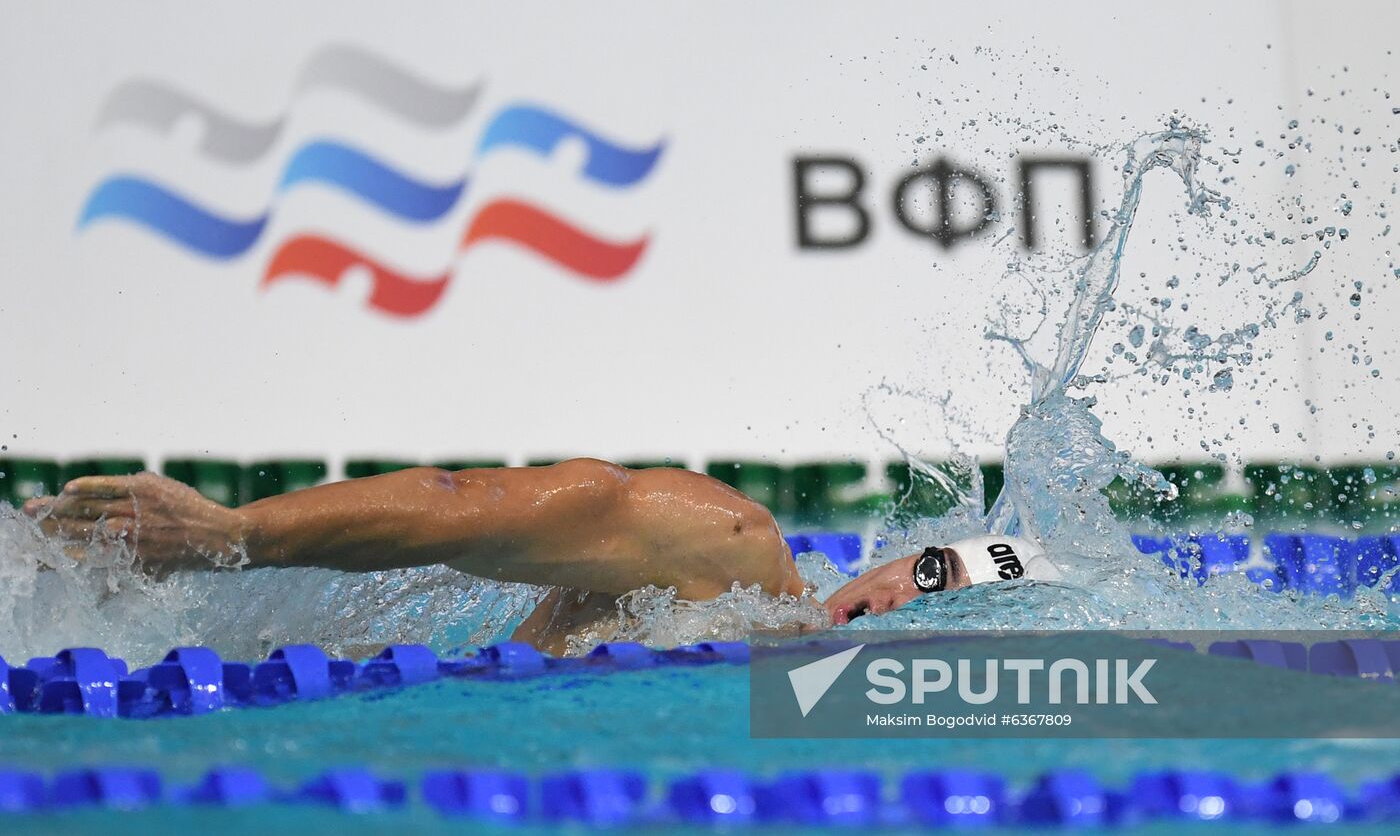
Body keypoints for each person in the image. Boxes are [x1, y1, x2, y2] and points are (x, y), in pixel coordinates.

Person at [20, 459, 1059, 654]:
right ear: (894, 567)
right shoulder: (719, 549)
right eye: (921, 579)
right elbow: (463, 506)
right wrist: (238, 537)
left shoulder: (738, 644)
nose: (886, 616)